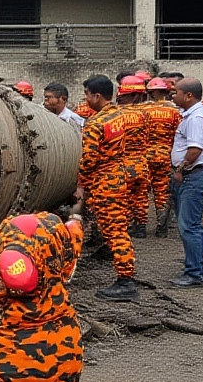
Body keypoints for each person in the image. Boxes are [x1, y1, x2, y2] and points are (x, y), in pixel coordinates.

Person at [0, 212, 85, 382]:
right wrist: (75, 220)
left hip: (11, 354)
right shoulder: (56, 240)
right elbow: (72, 247)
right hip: (62, 352)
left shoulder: (5, 239)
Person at [76, 75, 137, 301]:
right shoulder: (119, 116)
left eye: (86, 94)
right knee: (118, 228)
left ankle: (126, 281)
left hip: (104, 183)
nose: (85, 99)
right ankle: (125, 275)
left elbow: (89, 160)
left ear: (96, 96)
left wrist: (81, 184)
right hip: (119, 177)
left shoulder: (95, 124)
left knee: (115, 231)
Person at [168, 78, 203, 288]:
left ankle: (194, 273)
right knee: (193, 225)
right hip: (195, 174)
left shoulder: (196, 117)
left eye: (176, 92)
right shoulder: (193, 115)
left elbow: (195, 150)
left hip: (194, 175)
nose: (173, 96)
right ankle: (200, 269)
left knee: (188, 226)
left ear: (188, 95)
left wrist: (180, 169)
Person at [116, 76, 153, 239]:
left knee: (124, 197)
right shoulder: (145, 114)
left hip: (123, 164)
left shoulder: (115, 115)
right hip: (141, 163)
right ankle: (141, 226)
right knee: (141, 196)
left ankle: (128, 225)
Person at [143, 78, 181, 233]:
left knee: (142, 192)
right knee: (162, 191)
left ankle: (140, 227)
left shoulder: (142, 110)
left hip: (145, 156)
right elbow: (179, 135)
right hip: (165, 155)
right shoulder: (175, 111)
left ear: (150, 92)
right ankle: (161, 226)